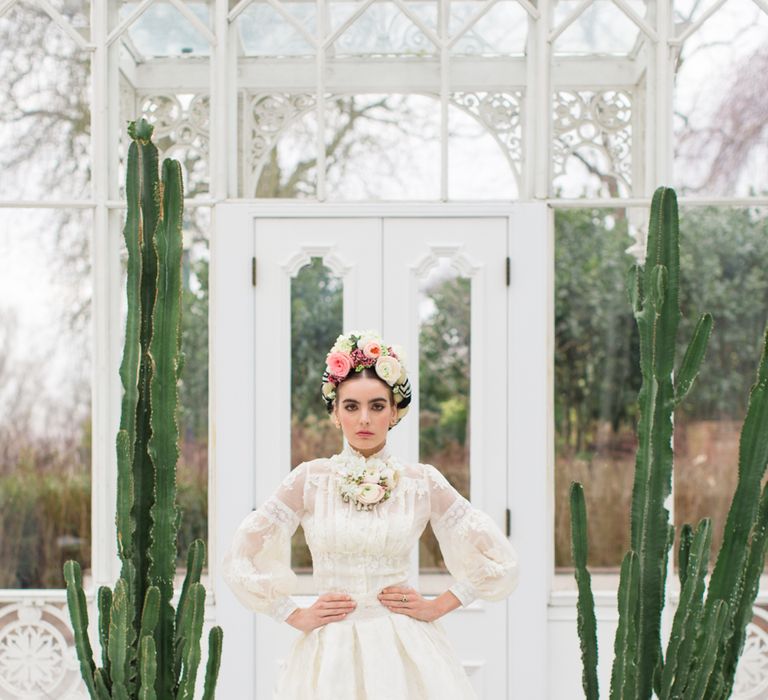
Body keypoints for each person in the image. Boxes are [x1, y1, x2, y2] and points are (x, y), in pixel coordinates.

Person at [222, 330, 519, 699]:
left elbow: (501, 561)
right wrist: (293, 613)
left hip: (404, 649)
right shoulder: (310, 478)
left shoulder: (421, 481)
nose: (364, 418)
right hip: (330, 652)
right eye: (351, 406)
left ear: (394, 412)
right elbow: (240, 557)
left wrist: (438, 605)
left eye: (377, 406)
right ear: (335, 413)